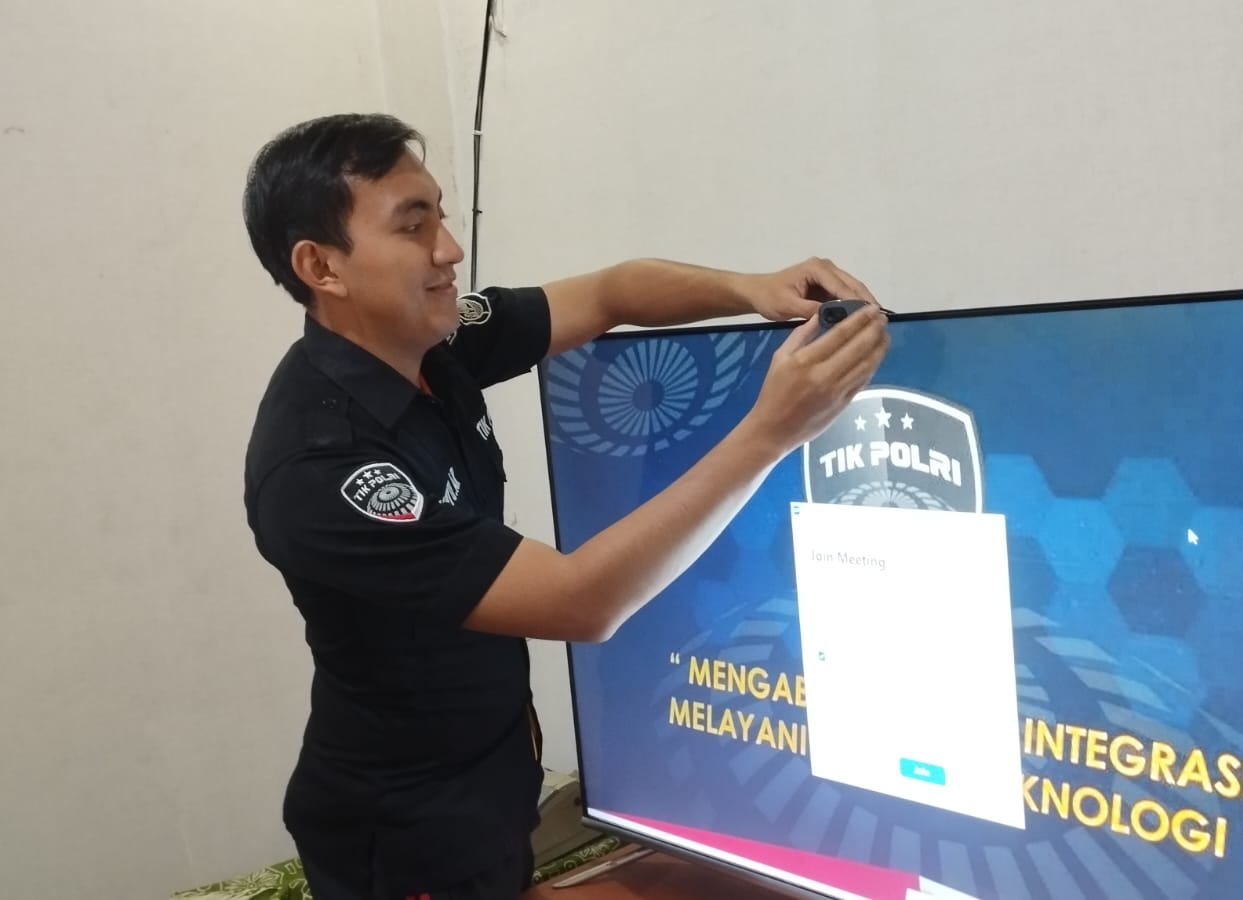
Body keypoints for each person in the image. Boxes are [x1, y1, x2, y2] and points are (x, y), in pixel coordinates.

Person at [239, 112, 889, 900]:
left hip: (492, 778)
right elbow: (581, 600)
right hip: (407, 832)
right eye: (413, 227)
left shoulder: (433, 345)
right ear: (321, 266)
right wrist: (772, 431)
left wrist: (748, 287)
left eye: (441, 215)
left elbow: (613, 292)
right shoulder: (319, 467)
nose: (450, 249)